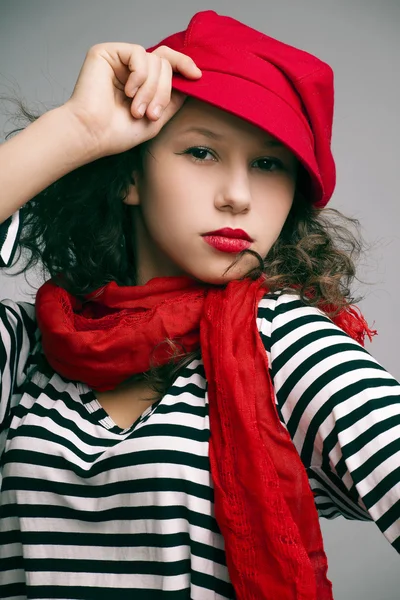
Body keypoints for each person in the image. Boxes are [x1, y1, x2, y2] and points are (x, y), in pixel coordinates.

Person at [0, 9, 398, 600]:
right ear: (128, 178)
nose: (238, 197)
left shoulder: (278, 342)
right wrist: (77, 132)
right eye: (202, 153)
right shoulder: (28, 344)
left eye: (268, 164)